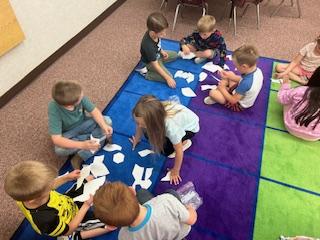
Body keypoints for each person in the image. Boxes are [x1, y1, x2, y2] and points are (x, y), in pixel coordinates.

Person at [4, 161, 115, 239]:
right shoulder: (46, 219)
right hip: (69, 222)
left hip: (65, 202)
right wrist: (86, 206)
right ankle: (94, 231)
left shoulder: (25, 196)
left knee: (87, 182)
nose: (51, 185)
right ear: (33, 199)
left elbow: (48, 186)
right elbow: (69, 229)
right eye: (48, 188)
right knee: (109, 221)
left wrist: (66, 178)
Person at [130, 95, 200, 185]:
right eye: (138, 123)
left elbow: (179, 151)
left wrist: (175, 171)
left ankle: (185, 142)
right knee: (148, 135)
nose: (139, 125)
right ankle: (178, 139)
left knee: (165, 151)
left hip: (190, 129)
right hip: (179, 122)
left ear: (154, 122)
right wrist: (137, 138)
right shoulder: (151, 112)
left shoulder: (170, 127)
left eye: (142, 124)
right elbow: (140, 125)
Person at [93, 181, 197, 240]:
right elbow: (191, 220)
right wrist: (191, 209)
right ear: (132, 191)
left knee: (143, 193)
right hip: (179, 234)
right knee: (171, 192)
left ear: (111, 226)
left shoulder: (123, 237)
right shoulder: (166, 201)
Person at [48, 81, 113, 169]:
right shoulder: (53, 108)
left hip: (84, 124)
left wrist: (104, 126)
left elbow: (94, 111)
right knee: (59, 150)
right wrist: (81, 145)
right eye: (80, 97)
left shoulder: (79, 96)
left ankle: (81, 153)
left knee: (107, 121)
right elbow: (56, 139)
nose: (82, 96)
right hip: (69, 132)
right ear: (70, 105)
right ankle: (93, 141)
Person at [204, 45, 263, 111]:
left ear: (244, 66)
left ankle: (219, 98)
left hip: (238, 104)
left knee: (212, 93)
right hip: (241, 92)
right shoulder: (257, 70)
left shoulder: (246, 83)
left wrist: (222, 88)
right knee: (230, 74)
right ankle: (225, 89)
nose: (236, 68)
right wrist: (231, 77)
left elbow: (233, 101)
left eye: (236, 66)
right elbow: (241, 79)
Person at [136, 12, 178, 88]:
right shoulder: (148, 46)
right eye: (162, 33)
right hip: (150, 63)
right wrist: (167, 78)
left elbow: (157, 45)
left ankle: (161, 63)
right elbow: (155, 65)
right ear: (153, 32)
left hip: (157, 55)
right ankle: (146, 74)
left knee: (175, 55)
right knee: (169, 77)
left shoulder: (153, 33)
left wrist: (161, 51)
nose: (164, 35)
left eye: (164, 32)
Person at [277, 67, 320, 141]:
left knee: (289, 100)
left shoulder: (302, 90)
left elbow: (281, 98)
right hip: (315, 136)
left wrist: (285, 84)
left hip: (291, 127)